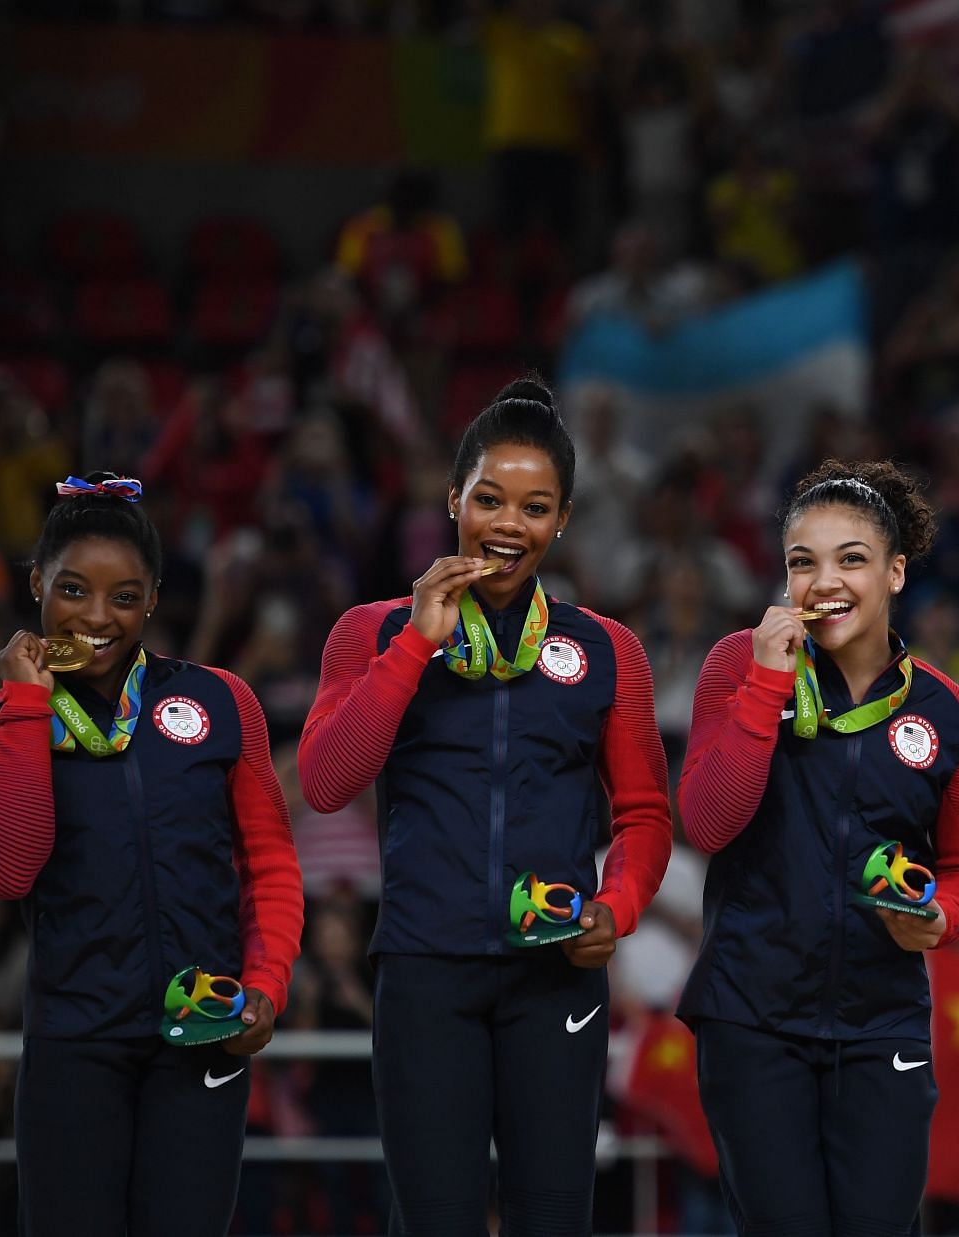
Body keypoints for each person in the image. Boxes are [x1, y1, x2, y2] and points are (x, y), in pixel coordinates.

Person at [296, 376, 672, 1236]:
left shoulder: (607, 650)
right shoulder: (373, 631)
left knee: (552, 1218)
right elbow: (325, 781)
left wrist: (616, 908)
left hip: (557, 979)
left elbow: (647, 815)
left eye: (536, 507)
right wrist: (417, 644)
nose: (510, 524)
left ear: (565, 518)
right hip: (427, 972)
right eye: (491, 499)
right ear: (453, 498)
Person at [0, 472, 303, 1236]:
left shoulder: (220, 702)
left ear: (154, 597)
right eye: (72, 589)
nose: (98, 617)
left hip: (203, 1034)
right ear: (37, 581)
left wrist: (265, 982)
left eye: (125, 596)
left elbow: (269, 863)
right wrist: (30, 709)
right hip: (76, 1049)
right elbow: (7, 869)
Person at [677, 460, 959, 1235]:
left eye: (851, 558)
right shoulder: (737, 665)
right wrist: (764, 685)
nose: (825, 580)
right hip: (753, 1017)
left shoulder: (950, 713)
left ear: (894, 571)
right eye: (802, 561)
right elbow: (707, 824)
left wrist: (940, 918)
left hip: (882, 1020)